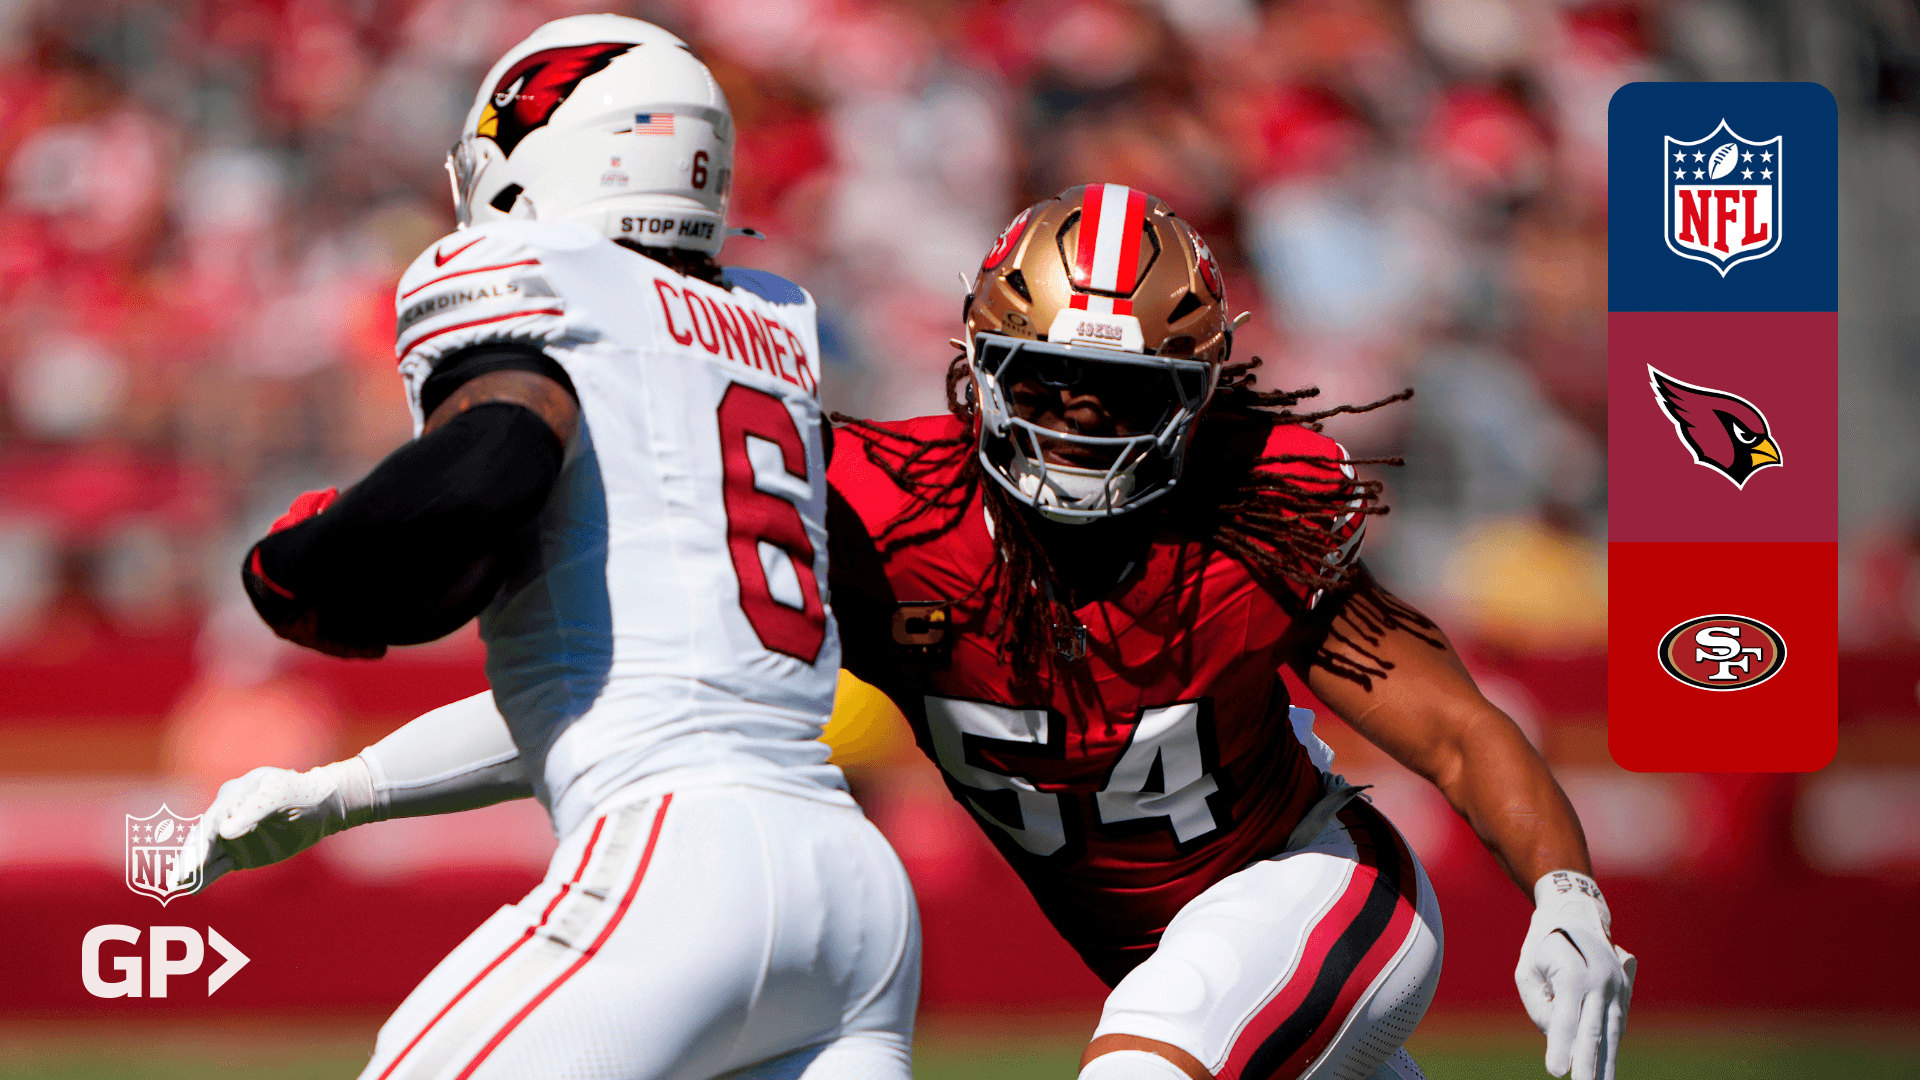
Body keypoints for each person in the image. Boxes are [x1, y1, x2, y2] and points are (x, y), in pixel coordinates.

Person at [173, 16, 919, 1080]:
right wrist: (346, 790)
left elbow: (497, 459)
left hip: (678, 869)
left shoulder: (542, 278)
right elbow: (622, 686)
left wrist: (306, 563)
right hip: (857, 906)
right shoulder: (770, 328)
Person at [824, 184, 1634, 1080]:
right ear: (979, 362)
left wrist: (1568, 898)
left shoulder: (1251, 516)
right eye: (1046, 375)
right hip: (1181, 975)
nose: (1081, 412)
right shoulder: (882, 515)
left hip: (1314, 884)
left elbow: (1457, 730)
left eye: (1128, 387)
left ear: (1197, 395)